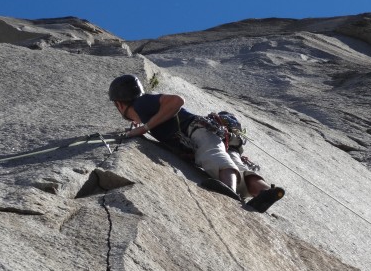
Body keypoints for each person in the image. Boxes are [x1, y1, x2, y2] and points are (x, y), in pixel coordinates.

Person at [108, 74, 285, 212]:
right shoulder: (145, 110)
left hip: (199, 131)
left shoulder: (142, 103)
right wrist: (140, 127)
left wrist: (144, 128)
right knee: (237, 165)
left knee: (212, 155)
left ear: (119, 105)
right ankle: (264, 192)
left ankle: (228, 191)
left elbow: (177, 101)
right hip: (221, 137)